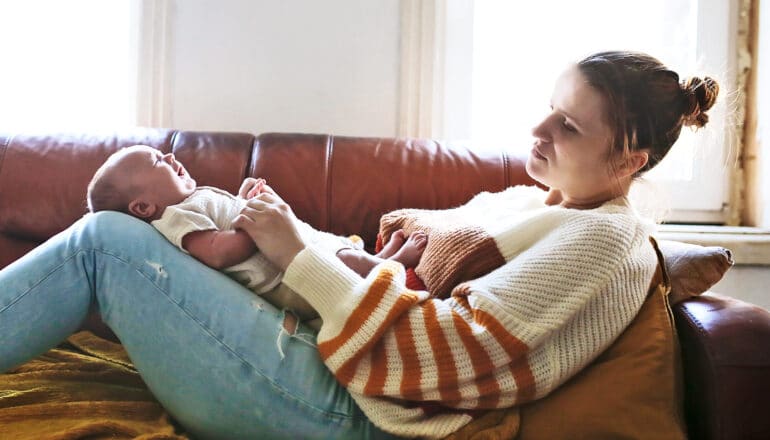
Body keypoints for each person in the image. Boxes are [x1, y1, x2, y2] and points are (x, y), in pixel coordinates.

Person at [0, 51, 719, 439]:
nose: (538, 131)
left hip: (362, 414)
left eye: (569, 126)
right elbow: (405, 248)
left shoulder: (602, 241)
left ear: (629, 162)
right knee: (116, 237)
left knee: (105, 243)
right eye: (550, 107)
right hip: (329, 364)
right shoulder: (526, 202)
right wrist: (366, 253)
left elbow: (459, 356)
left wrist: (295, 254)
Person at [85, 144, 427, 328]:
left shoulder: (190, 203)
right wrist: (252, 222)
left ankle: (377, 261)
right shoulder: (175, 219)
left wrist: (242, 200)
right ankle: (392, 265)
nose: (171, 156)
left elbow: (224, 222)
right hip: (284, 282)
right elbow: (217, 252)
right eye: (159, 161)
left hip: (290, 256)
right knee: (344, 262)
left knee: (337, 248)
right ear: (144, 207)